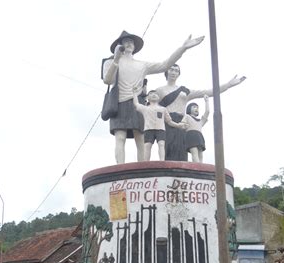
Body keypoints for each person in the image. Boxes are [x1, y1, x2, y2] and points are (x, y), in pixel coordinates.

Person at [102, 31, 204, 164]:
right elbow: (107, 80)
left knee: (141, 138)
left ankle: (142, 168)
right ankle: (120, 168)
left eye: (131, 42)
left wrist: (183, 48)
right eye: (125, 41)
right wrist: (115, 59)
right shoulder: (110, 61)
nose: (129, 44)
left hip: (137, 103)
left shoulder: (142, 65)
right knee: (120, 137)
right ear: (119, 45)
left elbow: (165, 65)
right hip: (118, 103)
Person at [156, 64, 246, 161]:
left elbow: (209, 92)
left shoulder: (185, 91)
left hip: (182, 122)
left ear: (178, 74)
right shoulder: (160, 90)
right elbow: (153, 108)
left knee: (181, 148)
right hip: (167, 120)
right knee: (168, 147)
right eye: (171, 70)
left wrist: (228, 85)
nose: (173, 72)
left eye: (176, 71)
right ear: (166, 72)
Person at [132, 87, 187, 161]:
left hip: (160, 130)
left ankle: (162, 160)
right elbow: (136, 104)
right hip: (148, 129)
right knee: (147, 146)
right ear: (148, 98)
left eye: (156, 94)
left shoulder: (163, 109)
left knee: (161, 144)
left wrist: (178, 125)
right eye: (151, 94)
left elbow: (169, 121)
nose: (154, 95)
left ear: (159, 97)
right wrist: (134, 93)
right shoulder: (145, 108)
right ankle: (146, 162)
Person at [180, 95, 210, 163]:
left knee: (200, 155)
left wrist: (207, 101)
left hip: (199, 136)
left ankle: (201, 167)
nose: (196, 109)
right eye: (194, 107)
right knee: (194, 153)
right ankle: (198, 167)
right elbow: (182, 124)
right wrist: (184, 125)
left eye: (197, 107)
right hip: (191, 136)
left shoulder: (200, 121)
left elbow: (207, 112)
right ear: (189, 108)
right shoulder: (187, 116)